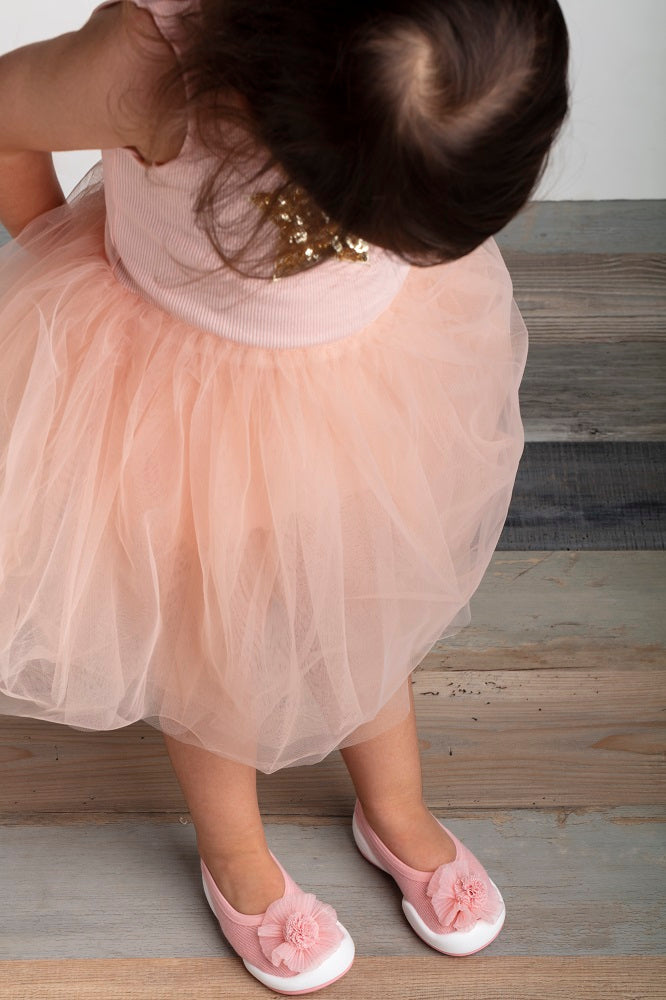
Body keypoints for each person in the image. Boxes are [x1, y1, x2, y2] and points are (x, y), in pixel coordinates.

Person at [0, 0, 569, 992]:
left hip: (356, 387)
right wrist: (54, 252)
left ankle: (394, 807)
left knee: (362, 594)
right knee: (212, 638)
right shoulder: (158, 61)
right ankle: (236, 855)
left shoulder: (453, 71)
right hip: (177, 410)